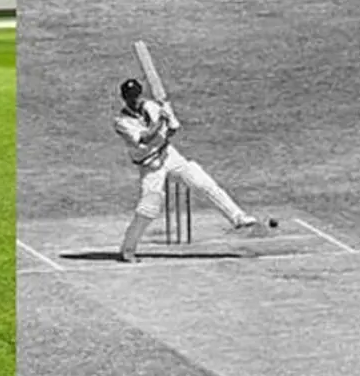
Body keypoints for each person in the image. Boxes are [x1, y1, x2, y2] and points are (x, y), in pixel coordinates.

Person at [112, 77, 266, 261]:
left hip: (169, 154)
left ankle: (238, 217)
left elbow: (168, 132)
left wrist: (171, 122)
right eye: (130, 97)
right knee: (148, 208)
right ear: (124, 98)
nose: (135, 100)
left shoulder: (151, 106)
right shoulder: (121, 122)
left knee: (202, 182)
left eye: (136, 95)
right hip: (150, 166)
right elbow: (145, 138)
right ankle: (128, 250)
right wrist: (161, 120)